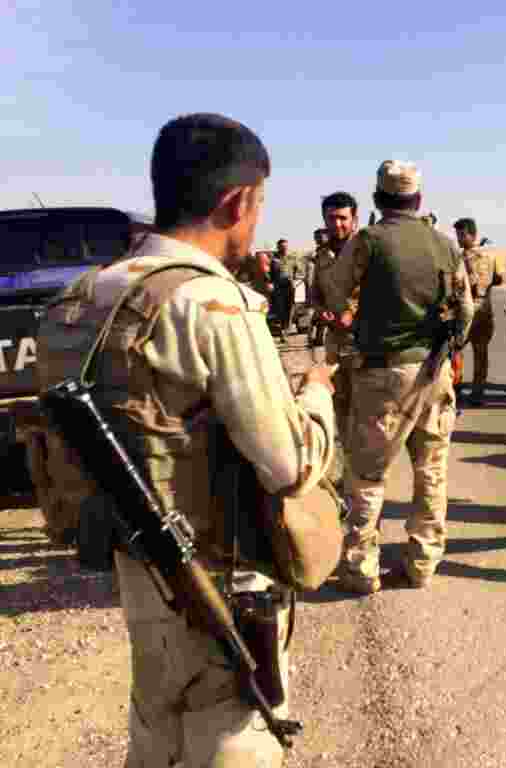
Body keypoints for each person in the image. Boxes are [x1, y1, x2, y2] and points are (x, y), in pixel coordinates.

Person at [33, 113, 339, 767]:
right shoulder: (212, 304)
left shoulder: (82, 297)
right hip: (219, 578)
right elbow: (288, 464)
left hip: (138, 567)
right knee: (235, 728)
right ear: (237, 201)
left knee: (157, 726)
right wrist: (317, 396)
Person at [321, 160, 474, 593]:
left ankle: (360, 569)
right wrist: (450, 347)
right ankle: (423, 564)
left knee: (368, 476)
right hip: (433, 373)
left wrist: (356, 319)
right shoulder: (445, 245)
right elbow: (466, 309)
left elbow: (334, 290)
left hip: (382, 375)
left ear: (377, 199)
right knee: (431, 472)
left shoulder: (369, 241)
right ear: (418, 200)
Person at [314, 192, 361, 501]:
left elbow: (382, 292)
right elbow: (315, 295)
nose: (338, 224)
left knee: (365, 412)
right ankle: (347, 476)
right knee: (339, 409)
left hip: (364, 344)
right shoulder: (321, 257)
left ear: (354, 220)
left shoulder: (366, 252)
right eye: (332, 218)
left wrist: (353, 313)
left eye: (343, 217)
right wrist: (322, 312)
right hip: (335, 344)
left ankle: (364, 479)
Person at [454, 217, 502, 406]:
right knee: (480, 353)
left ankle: (456, 389)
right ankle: (477, 393)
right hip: (484, 309)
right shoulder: (490, 256)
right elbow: (498, 278)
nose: (459, 239)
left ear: (473, 235)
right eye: (458, 235)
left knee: (457, 350)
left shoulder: (458, 258)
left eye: (462, 235)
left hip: (466, 311)